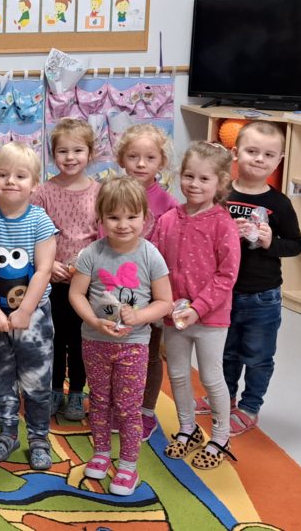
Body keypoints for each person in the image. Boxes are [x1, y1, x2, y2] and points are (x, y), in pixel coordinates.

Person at [194, 121, 301, 435]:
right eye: (252, 151)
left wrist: (271, 243)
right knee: (225, 351)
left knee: (257, 356)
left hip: (262, 295)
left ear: (279, 160)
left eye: (268, 155)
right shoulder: (221, 194)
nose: (259, 159)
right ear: (235, 153)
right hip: (223, 293)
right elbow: (203, 234)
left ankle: (250, 406)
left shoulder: (280, 204)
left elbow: (296, 245)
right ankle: (223, 397)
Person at [68, 178, 172, 496]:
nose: (123, 224)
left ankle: (128, 464)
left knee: (128, 407)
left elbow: (165, 302)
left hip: (134, 345)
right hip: (95, 341)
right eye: (113, 217)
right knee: (99, 401)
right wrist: (93, 321)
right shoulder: (91, 253)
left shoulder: (151, 255)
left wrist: (139, 317)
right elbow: (76, 294)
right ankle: (101, 452)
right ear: (100, 219)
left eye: (131, 216)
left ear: (145, 217)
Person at [153, 142, 241, 471]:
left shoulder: (223, 224)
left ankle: (220, 436)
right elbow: (155, 263)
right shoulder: (167, 219)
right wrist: (162, 303)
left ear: (220, 182)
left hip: (211, 318)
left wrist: (198, 309)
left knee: (211, 377)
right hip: (174, 316)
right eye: (189, 176)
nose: (194, 184)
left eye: (204, 179)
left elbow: (227, 275)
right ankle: (188, 429)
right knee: (177, 374)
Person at [0, 142, 59, 470]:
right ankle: (7, 432)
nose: (11, 181)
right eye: (3, 174)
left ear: (34, 184)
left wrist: (25, 311)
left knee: (37, 380)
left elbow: (44, 270)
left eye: (20, 176)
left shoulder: (40, 221)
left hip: (34, 316)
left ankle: (39, 437)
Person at [33, 118, 102, 423]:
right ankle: (53, 389)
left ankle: (76, 391)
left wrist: (85, 269)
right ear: (53, 154)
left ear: (90, 153)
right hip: (51, 280)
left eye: (77, 150)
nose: (70, 157)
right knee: (53, 338)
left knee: (80, 339)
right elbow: (34, 234)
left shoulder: (99, 192)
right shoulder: (43, 192)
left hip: (85, 283)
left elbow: (103, 237)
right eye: (63, 151)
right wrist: (49, 266)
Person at [114, 123, 178, 437]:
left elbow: (172, 251)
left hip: (150, 292)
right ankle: (118, 406)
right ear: (121, 159)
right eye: (133, 156)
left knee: (149, 353)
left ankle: (145, 410)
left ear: (161, 162)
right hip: (114, 287)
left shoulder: (168, 203)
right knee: (115, 350)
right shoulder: (112, 193)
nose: (141, 164)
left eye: (150, 158)